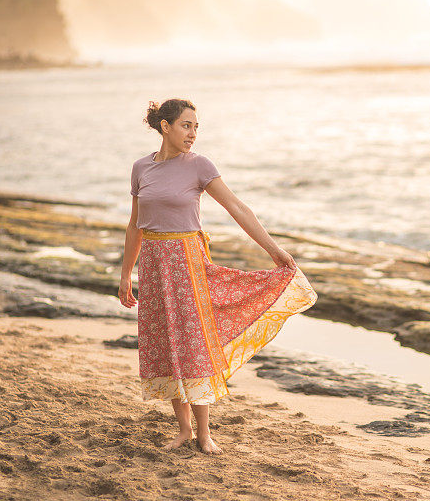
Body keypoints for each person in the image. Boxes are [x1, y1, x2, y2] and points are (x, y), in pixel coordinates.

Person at [118, 98, 317, 455]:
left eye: (196, 127)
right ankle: (182, 430)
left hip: (187, 263)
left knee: (192, 345)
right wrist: (125, 276)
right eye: (186, 126)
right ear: (166, 126)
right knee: (165, 345)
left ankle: (204, 433)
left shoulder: (199, 166)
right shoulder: (140, 168)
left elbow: (237, 207)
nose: (193, 133)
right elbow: (135, 226)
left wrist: (274, 250)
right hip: (153, 265)